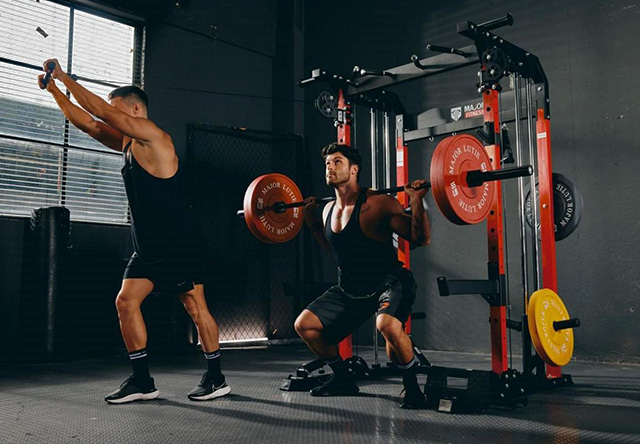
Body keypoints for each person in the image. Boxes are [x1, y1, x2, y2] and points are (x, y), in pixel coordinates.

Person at [38, 59, 230, 404]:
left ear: (136, 109)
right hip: (148, 247)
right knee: (126, 302)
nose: (111, 117)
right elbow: (89, 123)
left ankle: (216, 378)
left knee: (194, 306)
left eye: (118, 111)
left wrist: (63, 76)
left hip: (179, 243)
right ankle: (142, 382)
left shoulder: (155, 138)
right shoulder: (128, 145)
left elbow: (99, 111)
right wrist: (54, 89)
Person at [295, 142, 431, 409]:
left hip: (389, 283)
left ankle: (414, 389)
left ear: (354, 169)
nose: (330, 168)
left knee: (388, 327)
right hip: (350, 289)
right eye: (327, 163)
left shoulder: (378, 204)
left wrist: (416, 201)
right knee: (304, 325)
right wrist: (311, 219)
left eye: (337, 162)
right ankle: (343, 377)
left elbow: (420, 238)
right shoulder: (326, 210)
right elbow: (331, 245)